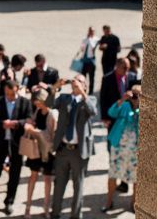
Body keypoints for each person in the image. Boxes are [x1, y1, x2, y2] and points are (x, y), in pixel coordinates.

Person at [0, 80, 33, 216]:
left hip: (16, 143)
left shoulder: (25, 102)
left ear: (17, 90)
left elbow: (29, 120)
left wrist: (16, 123)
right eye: (7, 94)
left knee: (15, 174)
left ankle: (9, 201)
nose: (10, 96)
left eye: (12, 94)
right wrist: (1, 124)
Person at [51, 75, 97, 219]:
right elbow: (48, 103)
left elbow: (93, 111)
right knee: (59, 184)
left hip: (79, 151)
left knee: (78, 185)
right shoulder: (64, 98)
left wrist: (82, 93)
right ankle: (55, 213)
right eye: (74, 80)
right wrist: (55, 87)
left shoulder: (89, 99)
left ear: (85, 85)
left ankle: (75, 216)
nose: (76, 82)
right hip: (63, 149)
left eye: (80, 81)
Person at [100, 56, 138, 193]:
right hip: (113, 117)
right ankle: (116, 174)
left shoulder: (132, 77)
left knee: (129, 153)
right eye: (125, 68)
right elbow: (103, 98)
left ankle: (124, 182)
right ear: (117, 66)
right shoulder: (107, 78)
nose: (127, 70)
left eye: (128, 68)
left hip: (129, 117)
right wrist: (104, 117)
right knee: (113, 149)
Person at [102, 85, 141, 213]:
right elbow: (111, 112)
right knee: (113, 174)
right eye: (134, 94)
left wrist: (140, 105)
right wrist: (122, 99)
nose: (135, 97)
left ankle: (134, 203)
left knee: (136, 177)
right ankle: (108, 202)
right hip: (118, 147)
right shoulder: (124, 105)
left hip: (135, 151)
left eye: (138, 94)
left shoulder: (143, 110)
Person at [23, 89, 58, 219]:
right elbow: (32, 122)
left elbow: (51, 136)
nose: (35, 104)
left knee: (48, 179)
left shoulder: (52, 114)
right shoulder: (37, 111)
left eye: (37, 101)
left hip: (48, 151)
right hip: (36, 149)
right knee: (33, 176)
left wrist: (33, 130)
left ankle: (46, 208)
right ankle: (28, 208)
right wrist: (29, 124)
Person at [80, 27, 99, 94]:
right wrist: (87, 39)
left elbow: (92, 47)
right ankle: (82, 90)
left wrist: (90, 39)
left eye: (92, 31)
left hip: (91, 60)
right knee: (82, 77)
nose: (91, 32)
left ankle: (91, 92)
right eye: (90, 31)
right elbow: (82, 48)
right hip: (84, 60)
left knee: (91, 77)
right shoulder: (84, 39)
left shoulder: (96, 39)